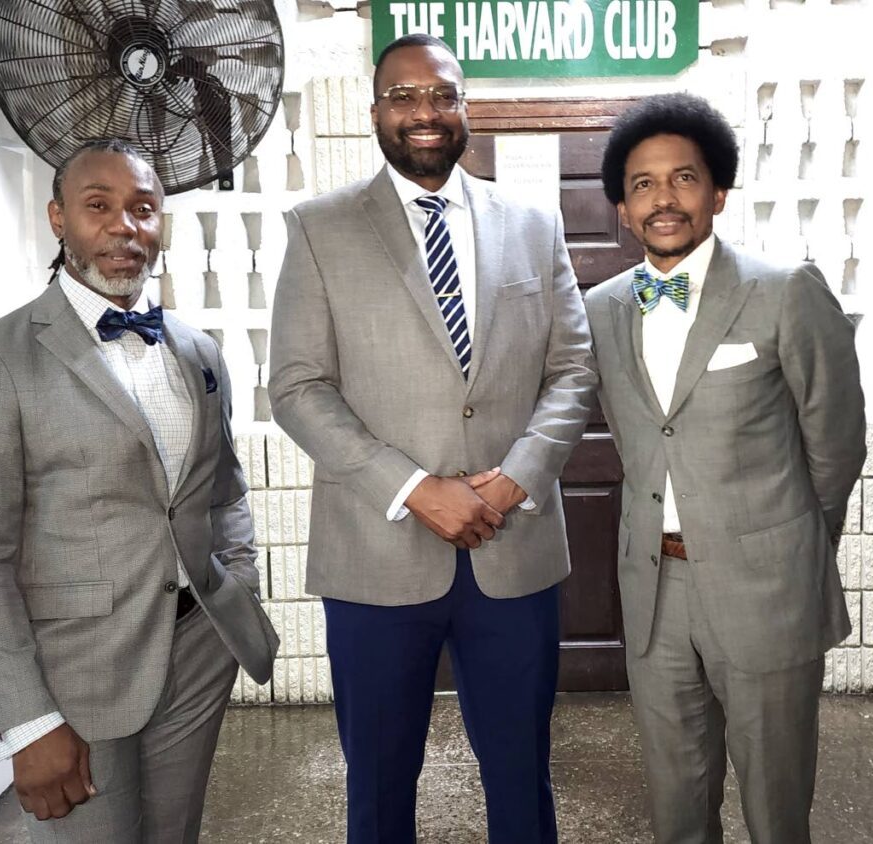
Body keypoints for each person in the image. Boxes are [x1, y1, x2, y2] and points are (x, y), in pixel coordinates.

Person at [268, 33, 597, 844]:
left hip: (512, 549)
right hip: (375, 559)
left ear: (464, 108)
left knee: (521, 773)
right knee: (379, 783)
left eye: (442, 95)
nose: (425, 111)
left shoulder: (532, 224)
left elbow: (574, 369)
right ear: (376, 111)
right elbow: (298, 388)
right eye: (405, 96)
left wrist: (517, 477)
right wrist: (414, 488)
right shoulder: (319, 229)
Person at [0, 138, 278, 843]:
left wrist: (237, 582)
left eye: (143, 208)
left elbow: (223, 490)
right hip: (74, 676)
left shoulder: (197, 350)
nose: (125, 226)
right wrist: (27, 720)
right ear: (59, 218)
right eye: (99, 206)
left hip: (198, 649)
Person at [584, 93, 867, 843]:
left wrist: (793, 547)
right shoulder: (602, 308)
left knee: (777, 809)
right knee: (677, 807)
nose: (663, 198)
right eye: (643, 184)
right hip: (655, 591)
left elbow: (837, 443)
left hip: (767, 589)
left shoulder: (784, 291)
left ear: (717, 192)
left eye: (683, 178)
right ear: (622, 208)